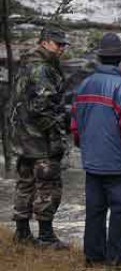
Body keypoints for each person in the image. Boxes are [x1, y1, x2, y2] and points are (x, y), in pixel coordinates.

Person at [71, 33, 121, 270]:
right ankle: (116, 259)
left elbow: (75, 126)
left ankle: (93, 257)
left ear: (101, 58)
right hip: (117, 164)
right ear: (120, 60)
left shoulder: (84, 86)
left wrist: (86, 149)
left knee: (94, 211)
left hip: (92, 160)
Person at [10, 26, 71, 249]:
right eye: (58, 43)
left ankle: (22, 232)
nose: (62, 48)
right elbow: (42, 108)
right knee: (48, 185)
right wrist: (57, 135)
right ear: (44, 42)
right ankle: (46, 236)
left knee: (25, 184)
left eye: (64, 44)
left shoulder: (26, 63)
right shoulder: (43, 69)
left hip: (23, 137)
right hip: (41, 140)